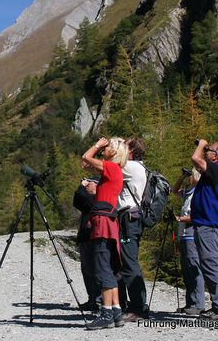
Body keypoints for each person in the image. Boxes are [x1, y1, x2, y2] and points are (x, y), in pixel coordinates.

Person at [81, 137, 128, 330]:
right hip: (108, 221)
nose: (105, 148)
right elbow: (86, 163)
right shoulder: (113, 170)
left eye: (109, 147)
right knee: (108, 267)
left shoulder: (112, 167)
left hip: (102, 223)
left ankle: (106, 312)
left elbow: (86, 156)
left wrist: (98, 145)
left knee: (102, 268)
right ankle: (116, 311)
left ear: (114, 152)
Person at [191, 139, 218, 319]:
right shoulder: (214, 171)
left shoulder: (216, 169)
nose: (206, 151)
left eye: (209, 150)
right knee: (208, 264)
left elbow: (195, 159)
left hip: (209, 224)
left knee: (212, 264)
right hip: (205, 223)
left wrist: (201, 144)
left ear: (215, 155)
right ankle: (217, 306)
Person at [116, 138, 149, 322]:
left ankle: (138, 309)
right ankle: (127, 305)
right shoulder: (135, 166)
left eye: (124, 147)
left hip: (129, 218)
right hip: (129, 218)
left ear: (130, 152)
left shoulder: (131, 167)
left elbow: (106, 167)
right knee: (125, 262)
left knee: (129, 263)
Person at [173, 167, 205, 315]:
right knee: (186, 270)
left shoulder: (199, 193)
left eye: (190, 175)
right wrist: (181, 177)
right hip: (183, 234)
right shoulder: (188, 191)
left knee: (194, 268)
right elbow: (174, 191)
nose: (189, 177)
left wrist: (179, 219)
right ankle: (190, 303)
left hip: (192, 234)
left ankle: (198, 304)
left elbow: (196, 216)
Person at [73, 178, 101, 311]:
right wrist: (81, 188)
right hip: (85, 236)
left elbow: (87, 201)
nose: (88, 185)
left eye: (91, 182)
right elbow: (77, 201)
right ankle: (92, 299)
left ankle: (100, 299)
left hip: (95, 236)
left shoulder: (99, 198)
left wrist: (82, 188)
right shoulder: (87, 199)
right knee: (86, 269)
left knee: (97, 269)